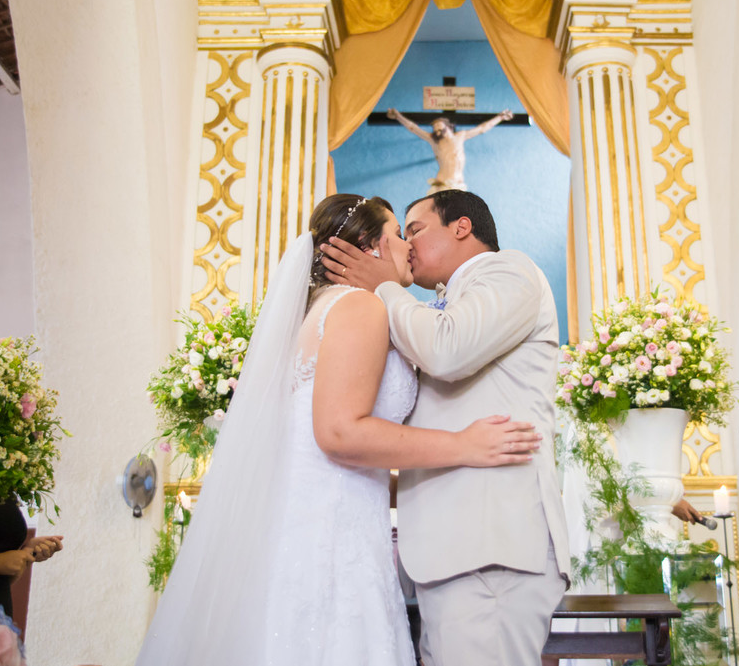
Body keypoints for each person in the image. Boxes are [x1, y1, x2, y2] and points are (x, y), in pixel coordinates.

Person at [135, 193, 541, 666]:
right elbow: (340, 434)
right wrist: (463, 445)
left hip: (320, 522)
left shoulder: (319, 311)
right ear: (368, 247)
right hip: (331, 534)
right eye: (398, 234)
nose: (408, 248)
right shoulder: (359, 308)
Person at [321, 189, 570, 666]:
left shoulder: (509, 270)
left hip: (492, 550)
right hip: (451, 553)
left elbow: (448, 352)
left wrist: (385, 288)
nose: (408, 245)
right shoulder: (431, 307)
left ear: (461, 227)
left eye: (414, 229)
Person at [386, 107, 513, 194]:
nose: (437, 131)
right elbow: (413, 128)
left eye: (440, 128)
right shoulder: (434, 140)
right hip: (442, 183)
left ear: (448, 127)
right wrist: (398, 116)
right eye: (435, 129)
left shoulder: (460, 136)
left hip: (458, 183)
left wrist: (500, 118)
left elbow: (482, 128)